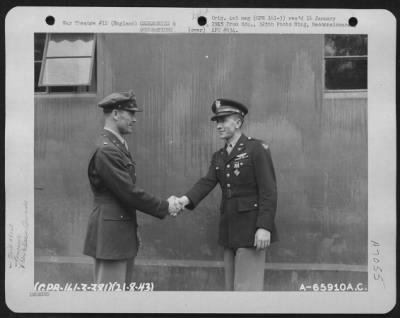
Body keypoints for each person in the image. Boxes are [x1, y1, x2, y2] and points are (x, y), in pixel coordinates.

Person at [176, 98, 278, 291]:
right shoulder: (219, 156)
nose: (218, 126)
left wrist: (264, 227)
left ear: (238, 122)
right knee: (230, 292)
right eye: (217, 121)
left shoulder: (256, 149)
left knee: (247, 290)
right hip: (229, 230)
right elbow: (207, 182)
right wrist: (183, 200)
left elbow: (269, 190)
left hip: (251, 231)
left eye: (223, 120)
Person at [83, 90, 181, 288]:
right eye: (131, 113)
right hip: (111, 234)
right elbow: (128, 192)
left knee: (119, 296)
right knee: (110, 300)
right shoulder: (108, 149)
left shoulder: (115, 145)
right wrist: (165, 206)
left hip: (118, 231)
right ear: (116, 114)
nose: (134, 119)